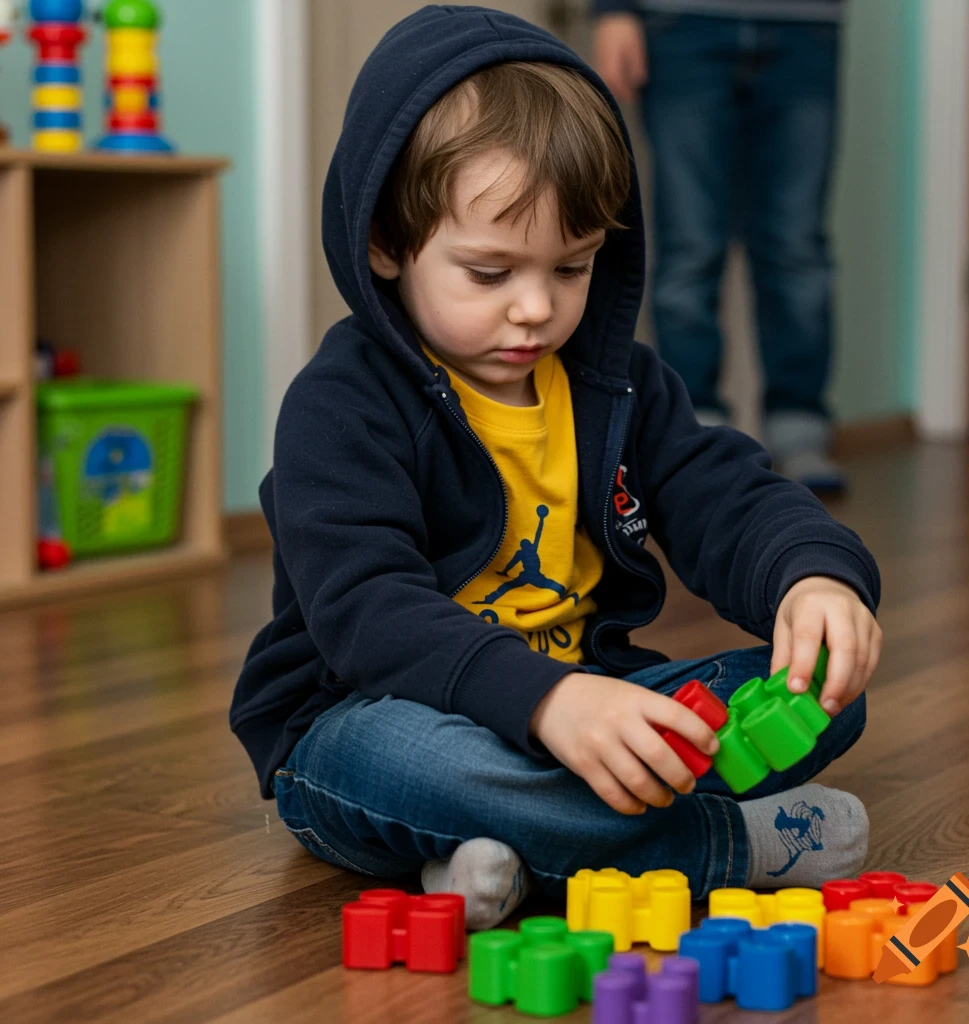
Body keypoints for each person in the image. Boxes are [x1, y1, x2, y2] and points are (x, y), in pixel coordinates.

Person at [230, 4, 881, 931]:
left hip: (584, 707)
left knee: (825, 692)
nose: (535, 310)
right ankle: (729, 847)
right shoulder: (340, 405)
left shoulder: (613, 385)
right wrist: (548, 704)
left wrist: (812, 578)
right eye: (490, 274)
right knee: (412, 761)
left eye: (571, 269)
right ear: (384, 244)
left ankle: (498, 861)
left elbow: (721, 491)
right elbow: (366, 611)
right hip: (367, 716)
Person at [592, 0, 846, 490]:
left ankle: (800, 430)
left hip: (809, 26)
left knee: (797, 247)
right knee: (689, 247)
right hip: (681, 22)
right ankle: (693, 437)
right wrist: (613, 8)